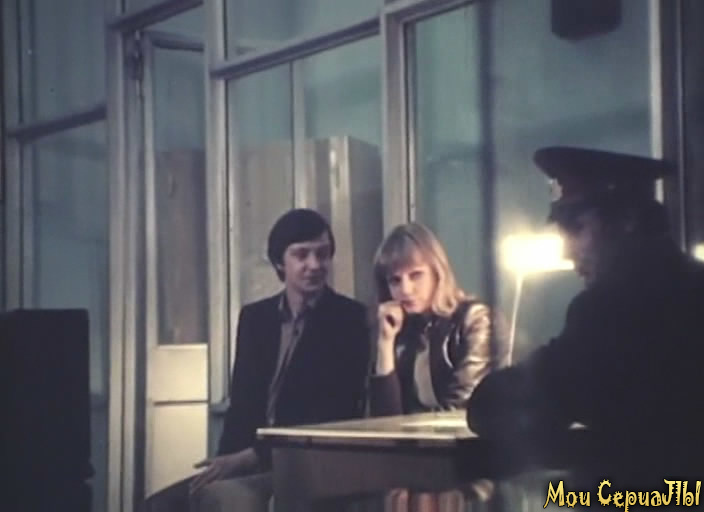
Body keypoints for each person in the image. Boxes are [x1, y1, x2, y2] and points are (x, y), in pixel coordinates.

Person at [467, 147, 704, 486]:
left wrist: (534, 368)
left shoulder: (608, 308)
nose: (567, 251)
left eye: (577, 228)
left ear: (627, 220)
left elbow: (491, 409)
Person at [189, 208, 370, 511]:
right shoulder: (255, 318)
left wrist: (248, 458)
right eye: (302, 255)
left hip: (306, 464)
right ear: (279, 262)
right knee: (162, 504)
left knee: (233, 500)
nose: (315, 265)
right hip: (247, 458)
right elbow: (242, 402)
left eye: (322, 254)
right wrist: (223, 462)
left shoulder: (349, 319)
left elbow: (329, 414)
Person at [369, 222, 508, 417]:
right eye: (395, 280)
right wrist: (385, 342)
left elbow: (462, 409)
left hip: (468, 434)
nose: (405, 290)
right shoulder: (404, 327)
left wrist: (411, 426)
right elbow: (384, 419)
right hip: (417, 435)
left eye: (416, 275)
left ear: (437, 273)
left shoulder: (476, 319)